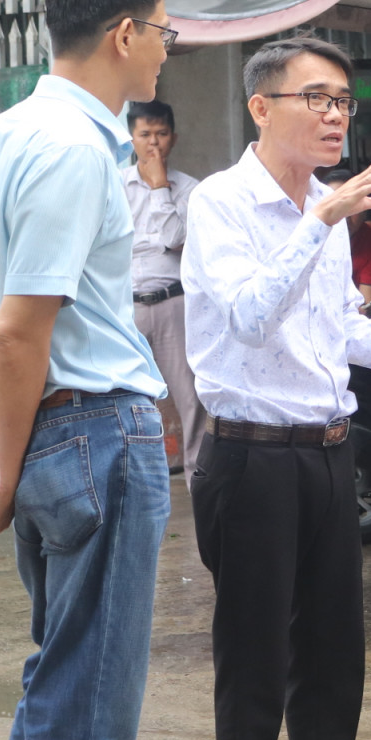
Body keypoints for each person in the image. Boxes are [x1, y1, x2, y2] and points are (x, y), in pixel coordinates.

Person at [183, 36, 371, 740]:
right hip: (250, 458)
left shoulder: (323, 211)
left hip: (332, 452)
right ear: (262, 107)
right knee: (256, 662)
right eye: (317, 99)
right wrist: (321, 219)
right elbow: (250, 319)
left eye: (342, 101)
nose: (336, 115)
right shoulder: (220, 204)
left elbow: (332, 328)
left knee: (334, 656)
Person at [0, 0, 174, 740]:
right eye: (162, 32)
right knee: (90, 700)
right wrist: (0, 471)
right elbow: (11, 331)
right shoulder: (74, 150)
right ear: (124, 34)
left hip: (40, 438)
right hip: (93, 434)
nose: (165, 50)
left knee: (60, 680)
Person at [124, 98, 209, 481]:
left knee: (189, 398)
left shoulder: (190, 189)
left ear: (173, 138)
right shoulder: (114, 185)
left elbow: (177, 240)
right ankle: (133, 481)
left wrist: (159, 187)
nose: (153, 143)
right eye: (145, 134)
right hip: (127, 307)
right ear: (131, 138)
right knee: (126, 398)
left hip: (175, 304)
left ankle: (197, 480)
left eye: (160, 134)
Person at [321, 167, 371, 309]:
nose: (344, 215)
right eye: (336, 205)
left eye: (353, 205)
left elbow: (365, 308)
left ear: (365, 209)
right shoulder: (305, 234)